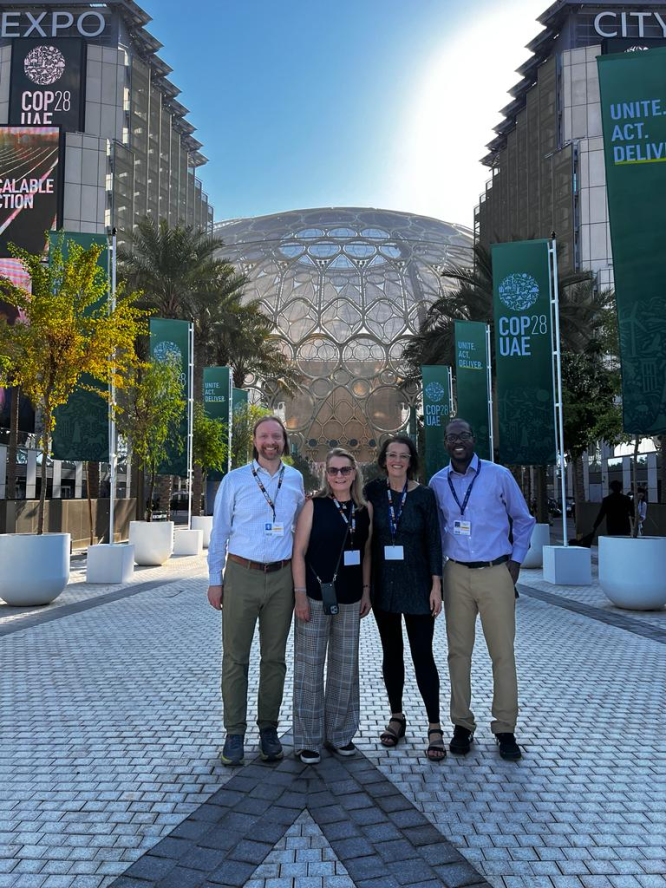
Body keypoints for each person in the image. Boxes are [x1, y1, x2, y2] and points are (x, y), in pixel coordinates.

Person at [429, 418, 535, 761]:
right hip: (456, 574)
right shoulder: (437, 483)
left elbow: (523, 519)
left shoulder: (497, 475)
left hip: (495, 572)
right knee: (458, 654)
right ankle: (462, 724)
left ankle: (505, 727)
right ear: (445, 443)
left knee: (502, 653)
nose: (458, 441)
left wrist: (516, 562)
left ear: (474, 439)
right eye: (451, 437)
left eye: (464, 435)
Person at [207, 416, 305, 766]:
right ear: (254, 440)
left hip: (280, 579)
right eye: (264, 435)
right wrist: (214, 580)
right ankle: (234, 733)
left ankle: (268, 730)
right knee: (235, 658)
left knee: (274, 659)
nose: (270, 442)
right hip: (241, 574)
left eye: (276, 436)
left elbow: (300, 532)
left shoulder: (294, 480)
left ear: (284, 441)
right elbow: (219, 533)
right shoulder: (234, 481)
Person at [365, 435, 445, 762]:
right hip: (384, 585)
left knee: (422, 654)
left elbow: (434, 543)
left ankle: (435, 724)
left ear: (411, 460)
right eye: (391, 455)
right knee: (391, 653)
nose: (397, 460)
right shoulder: (372, 492)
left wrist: (436, 585)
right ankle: (396, 716)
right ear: (383, 460)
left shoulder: (425, 496)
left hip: (418, 584)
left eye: (403, 455)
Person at [292, 448, 372, 764]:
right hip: (314, 595)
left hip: (351, 598)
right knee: (310, 667)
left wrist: (366, 590)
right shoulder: (315, 505)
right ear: (326, 474)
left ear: (354, 473)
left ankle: (340, 735)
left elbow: (365, 552)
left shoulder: (366, 509)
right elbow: (298, 551)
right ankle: (308, 739)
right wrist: (299, 594)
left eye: (345, 470)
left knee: (345, 669)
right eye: (333, 470)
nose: (339, 475)